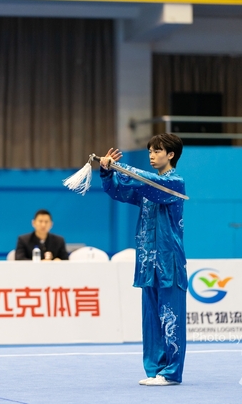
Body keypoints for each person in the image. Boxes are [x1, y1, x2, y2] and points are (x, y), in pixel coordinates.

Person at [99, 133, 187, 387]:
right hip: (148, 263)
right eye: (149, 151)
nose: (151, 155)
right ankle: (155, 369)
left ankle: (171, 372)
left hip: (169, 261)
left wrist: (120, 165)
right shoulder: (147, 188)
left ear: (170, 155)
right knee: (151, 319)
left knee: (171, 317)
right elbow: (119, 191)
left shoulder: (175, 183)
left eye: (157, 151)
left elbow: (145, 181)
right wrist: (107, 171)